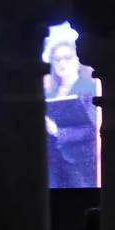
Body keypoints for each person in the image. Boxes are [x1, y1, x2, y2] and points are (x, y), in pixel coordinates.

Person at [43, 28, 100, 188]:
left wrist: (58, 132)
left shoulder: (89, 89)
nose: (62, 63)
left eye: (67, 57)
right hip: (54, 163)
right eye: (57, 59)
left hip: (80, 163)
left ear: (77, 60)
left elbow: (94, 128)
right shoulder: (51, 93)